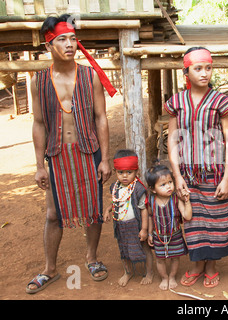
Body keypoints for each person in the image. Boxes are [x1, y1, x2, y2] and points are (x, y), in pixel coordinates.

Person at [26, 14, 116, 294]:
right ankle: (49, 269)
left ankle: (92, 258)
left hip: (87, 151)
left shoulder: (90, 77)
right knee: (53, 214)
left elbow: (101, 118)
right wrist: (39, 165)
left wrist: (105, 158)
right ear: (48, 46)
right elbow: (39, 123)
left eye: (72, 39)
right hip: (57, 155)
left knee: (92, 210)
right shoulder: (38, 81)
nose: (69, 44)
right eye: (61, 39)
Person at [165, 47, 228, 288]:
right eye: (198, 68)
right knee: (193, 220)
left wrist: (227, 177)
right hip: (187, 174)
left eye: (208, 68)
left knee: (216, 220)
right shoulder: (176, 102)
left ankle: (211, 265)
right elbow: (172, 139)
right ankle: (197, 264)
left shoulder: (220, 101)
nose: (204, 73)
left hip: (214, 173)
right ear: (186, 72)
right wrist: (177, 177)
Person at [104, 149, 154, 286]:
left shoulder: (138, 189)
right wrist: (108, 209)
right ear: (115, 172)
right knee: (124, 250)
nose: (125, 176)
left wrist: (144, 229)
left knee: (144, 249)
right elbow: (117, 200)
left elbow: (144, 210)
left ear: (136, 171)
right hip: (121, 226)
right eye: (120, 172)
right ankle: (128, 272)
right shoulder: (115, 187)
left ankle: (149, 272)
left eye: (129, 172)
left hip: (136, 226)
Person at [145, 165, 192, 290]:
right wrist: (150, 233)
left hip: (175, 235)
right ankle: (164, 277)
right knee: (160, 259)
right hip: (158, 236)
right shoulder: (151, 200)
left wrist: (187, 201)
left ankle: (172, 276)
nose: (168, 186)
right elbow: (150, 216)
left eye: (170, 182)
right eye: (163, 184)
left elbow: (187, 216)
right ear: (153, 189)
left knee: (175, 258)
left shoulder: (176, 199)